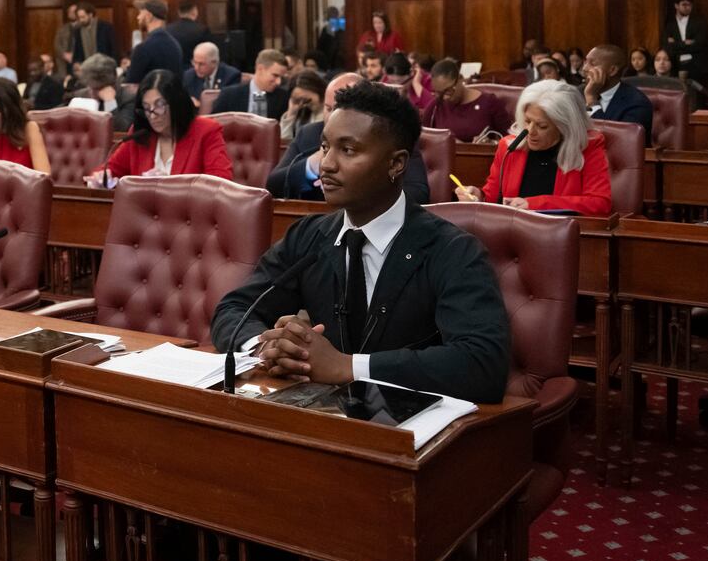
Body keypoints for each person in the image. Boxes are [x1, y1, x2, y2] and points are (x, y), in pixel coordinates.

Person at [212, 82, 508, 401]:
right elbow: (233, 309)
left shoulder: (453, 250)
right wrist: (267, 346)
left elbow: (482, 363)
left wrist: (350, 366)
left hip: (412, 431)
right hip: (321, 418)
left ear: (396, 164)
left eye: (348, 150)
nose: (327, 164)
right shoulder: (309, 236)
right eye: (326, 147)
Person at [267, 73, 431, 206]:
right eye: (328, 108)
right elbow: (273, 185)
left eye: (339, 108)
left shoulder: (389, 136)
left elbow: (419, 194)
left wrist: (355, 187)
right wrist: (311, 165)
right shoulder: (309, 133)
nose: (333, 116)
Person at [456, 80, 611, 215]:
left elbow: (599, 204)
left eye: (542, 126)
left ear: (564, 127)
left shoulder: (587, 148)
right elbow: (494, 197)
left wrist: (535, 205)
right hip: (511, 234)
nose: (530, 131)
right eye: (528, 121)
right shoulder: (510, 147)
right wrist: (478, 196)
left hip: (561, 236)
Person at [86, 70, 230, 185]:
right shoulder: (140, 133)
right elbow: (109, 169)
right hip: (144, 218)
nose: (153, 115)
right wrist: (100, 177)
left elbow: (220, 182)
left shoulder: (205, 131)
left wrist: (172, 185)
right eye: (147, 108)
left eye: (159, 105)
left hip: (189, 218)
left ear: (176, 103)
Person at [422, 59, 508, 141]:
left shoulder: (489, 103)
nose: (445, 97)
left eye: (448, 90)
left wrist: (490, 143)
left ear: (460, 79)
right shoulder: (436, 105)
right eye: (439, 93)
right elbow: (424, 138)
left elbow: (508, 140)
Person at [581, 45, 654, 141]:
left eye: (592, 63)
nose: (585, 68)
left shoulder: (637, 103)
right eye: (585, 62)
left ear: (612, 70)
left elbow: (614, 144)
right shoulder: (577, 94)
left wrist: (592, 100)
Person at [212, 48, 289, 121]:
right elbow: (213, 125)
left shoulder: (282, 97)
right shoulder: (229, 95)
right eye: (275, 75)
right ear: (260, 69)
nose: (278, 82)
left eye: (281, 77)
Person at [123, 0, 184, 84]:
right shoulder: (175, 45)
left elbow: (131, 84)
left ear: (149, 16)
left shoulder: (143, 48)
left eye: (140, 13)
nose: (138, 17)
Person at [73, 54, 135, 132]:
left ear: (112, 84)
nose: (92, 92)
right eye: (90, 86)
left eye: (98, 88)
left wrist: (110, 102)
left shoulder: (128, 98)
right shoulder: (80, 95)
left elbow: (121, 129)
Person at [663, 0, 708, 81]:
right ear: (676, 6)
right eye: (684, 5)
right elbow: (667, 46)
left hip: (696, 66)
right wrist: (685, 43)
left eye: (690, 5)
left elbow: (699, 45)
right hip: (675, 65)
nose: (688, 7)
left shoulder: (699, 23)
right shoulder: (669, 24)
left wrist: (676, 44)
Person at [279, 69, 325, 140]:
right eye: (297, 100)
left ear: (317, 90)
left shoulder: (330, 112)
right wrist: (291, 113)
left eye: (306, 100)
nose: (302, 104)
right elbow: (284, 142)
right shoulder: (303, 112)